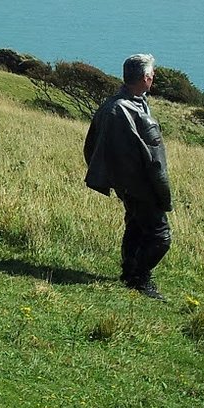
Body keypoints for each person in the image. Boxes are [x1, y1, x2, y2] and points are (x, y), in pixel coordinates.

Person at [83, 53, 173, 299]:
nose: (153, 77)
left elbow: (92, 146)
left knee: (136, 226)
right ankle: (139, 278)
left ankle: (130, 272)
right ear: (145, 78)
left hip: (131, 184)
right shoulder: (120, 109)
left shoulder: (125, 104)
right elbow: (146, 157)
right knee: (160, 236)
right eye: (151, 74)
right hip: (138, 184)